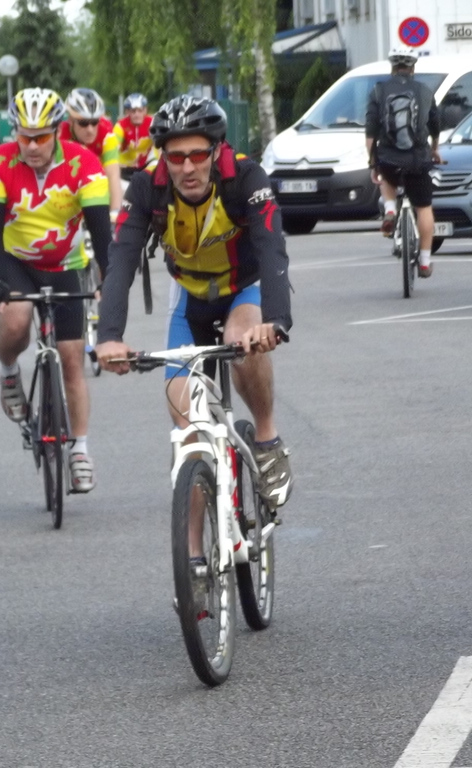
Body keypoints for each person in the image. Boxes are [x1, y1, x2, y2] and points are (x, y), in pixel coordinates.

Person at [95, 95, 294, 518]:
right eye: (176, 157)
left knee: (241, 341)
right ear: (163, 157)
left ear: (216, 151)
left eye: (198, 155)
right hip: (189, 296)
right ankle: (193, 552)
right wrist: (109, 336)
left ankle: (266, 438)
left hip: (243, 288)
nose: (187, 167)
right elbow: (121, 260)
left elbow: (271, 247)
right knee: (186, 432)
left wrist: (275, 321)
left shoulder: (246, 176)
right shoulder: (147, 187)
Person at [0, 88, 114, 493]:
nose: (32, 146)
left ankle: (80, 450)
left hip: (65, 265)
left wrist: (110, 285)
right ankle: (8, 373)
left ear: (57, 131)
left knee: (72, 358)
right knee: (16, 317)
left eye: (40, 137)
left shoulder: (84, 165)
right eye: (24, 136)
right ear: (14, 133)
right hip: (14, 262)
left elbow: (101, 236)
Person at [366, 46, 442, 278]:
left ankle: (390, 210)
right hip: (418, 159)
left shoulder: (378, 91)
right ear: (413, 67)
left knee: (386, 172)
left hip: (389, 158)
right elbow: (435, 126)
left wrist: (373, 164)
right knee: (424, 208)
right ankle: (425, 262)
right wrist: (434, 149)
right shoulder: (425, 91)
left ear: (392, 67)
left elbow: (370, 135)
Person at [60, 88, 124, 218]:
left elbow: (113, 175)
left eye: (95, 122)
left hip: (97, 184)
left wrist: (115, 212)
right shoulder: (60, 136)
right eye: (83, 123)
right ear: (70, 120)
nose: (90, 129)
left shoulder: (106, 134)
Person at [113, 92, 157, 176]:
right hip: (124, 166)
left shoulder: (152, 123)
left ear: (145, 110)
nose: (137, 114)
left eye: (140, 110)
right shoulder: (120, 126)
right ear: (127, 112)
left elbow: (161, 144)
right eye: (133, 111)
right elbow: (114, 147)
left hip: (146, 165)